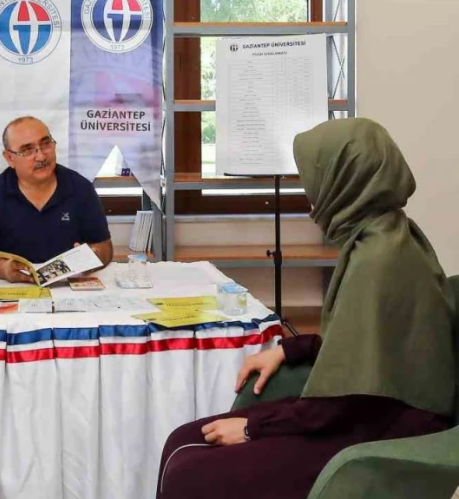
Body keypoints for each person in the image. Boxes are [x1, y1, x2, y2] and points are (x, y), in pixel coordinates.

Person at [155, 118, 456, 499]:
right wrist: (289, 349)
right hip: (368, 409)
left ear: (346, 180)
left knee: (191, 472)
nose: (310, 194)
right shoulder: (385, 233)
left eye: (314, 179)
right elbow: (368, 346)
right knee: (181, 441)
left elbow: (349, 396)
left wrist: (253, 429)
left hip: (387, 431)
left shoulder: (379, 259)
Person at [0, 116, 113, 282]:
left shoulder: (80, 188)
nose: (41, 157)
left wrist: (92, 257)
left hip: (69, 286)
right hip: (13, 289)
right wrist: (2, 268)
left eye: (45, 144)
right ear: (9, 158)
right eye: (28, 150)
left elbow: (105, 247)